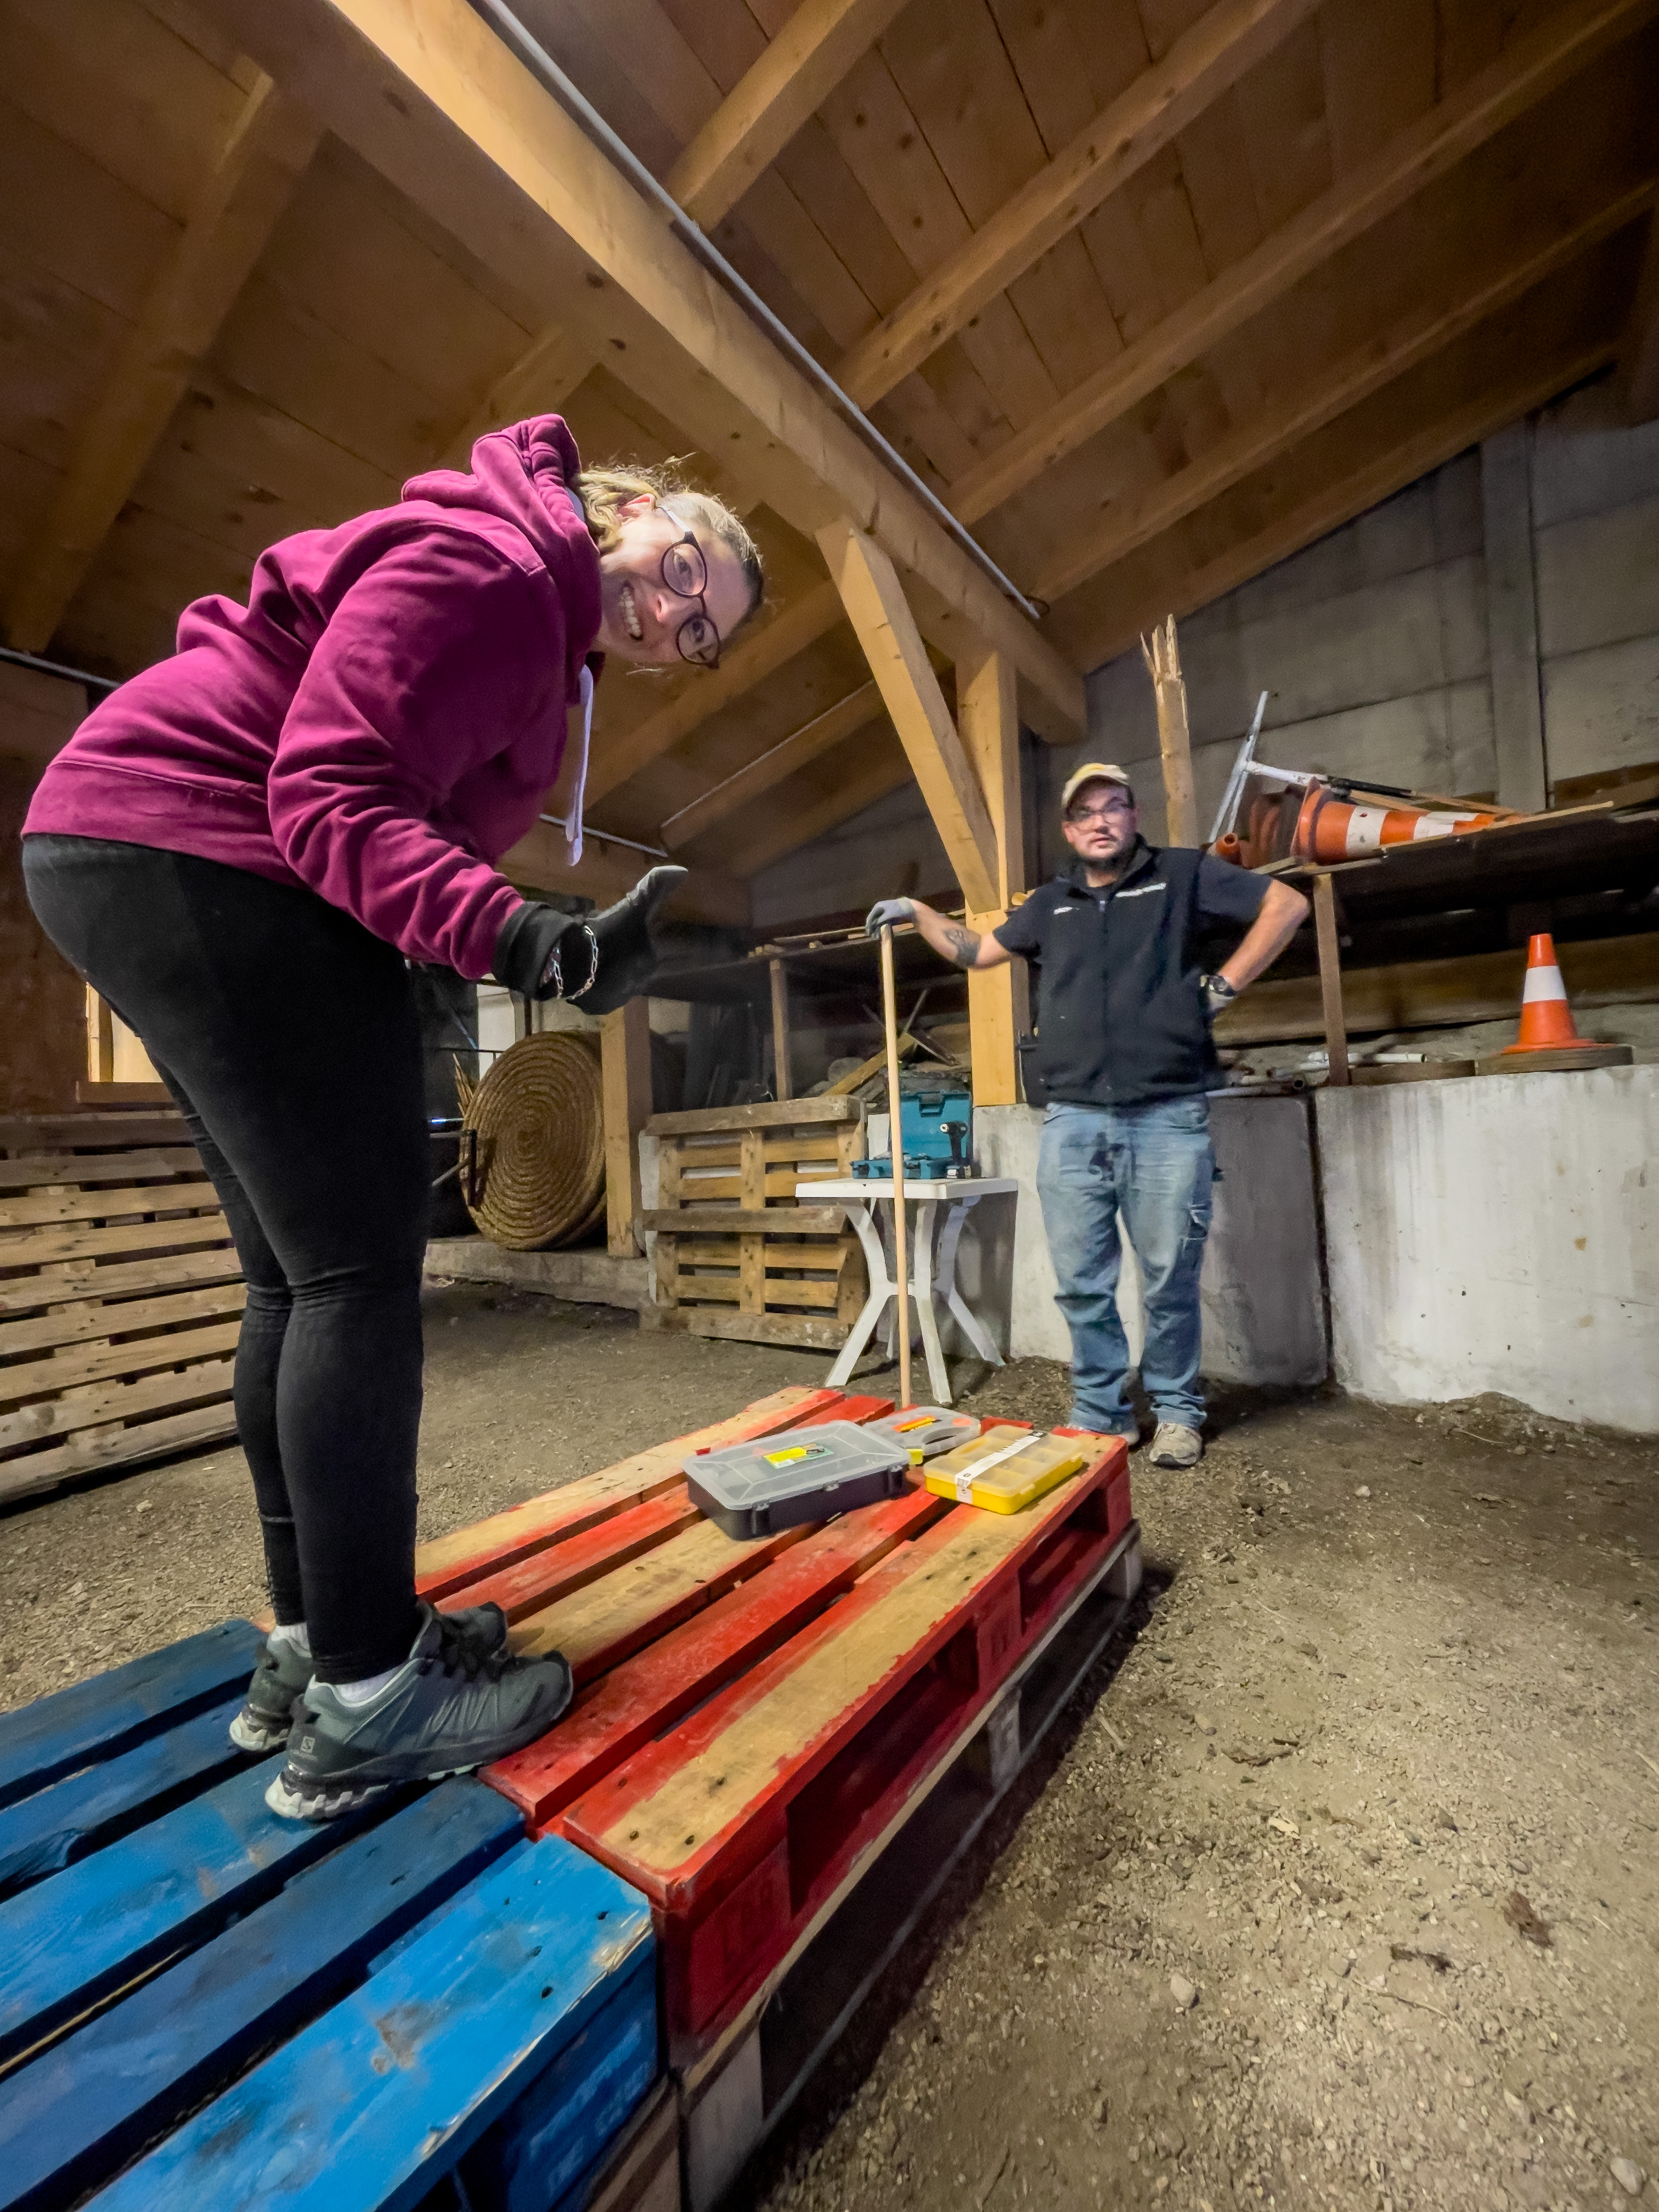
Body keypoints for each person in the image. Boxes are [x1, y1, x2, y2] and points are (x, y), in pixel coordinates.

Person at [22, 415, 763, 1820]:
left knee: (294, 1279)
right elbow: (327, 793)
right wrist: (527, 942)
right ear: (649, 506)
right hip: (211, 848)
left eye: (700, 634)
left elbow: (363, 787)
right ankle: (372, 1700)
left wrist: (446, 937)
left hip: (134, 847)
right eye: (688, 574)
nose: (676, 620)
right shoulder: (503, 571)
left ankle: (319, 1645)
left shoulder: (527, 603)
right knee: (358, 1276)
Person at [866, 761, 1307, 1469]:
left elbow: (1286, 904)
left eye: (1114, 807)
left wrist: (1222, 985)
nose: (1100, 821)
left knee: (1168, 1275)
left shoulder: (1185, 875)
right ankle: (1102, 1413)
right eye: (1085, 813)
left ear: (1134, 817)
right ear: (1069, 829)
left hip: (1169, 1114)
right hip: (1073, 1119)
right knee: (1082, 1280)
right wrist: (917, 913)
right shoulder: (1051, 902)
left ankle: (1176, 1413)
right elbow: (980, 951)